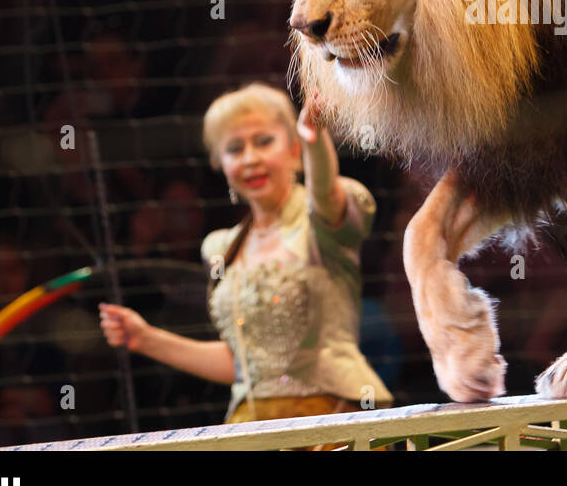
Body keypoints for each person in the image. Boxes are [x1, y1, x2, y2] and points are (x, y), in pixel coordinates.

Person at [99, 82, 392, 437]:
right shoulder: (221, 248)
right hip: (251, 430)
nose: (250, 158)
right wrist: (144, 339)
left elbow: (326, 198)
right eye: (235, 149)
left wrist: (316, 139)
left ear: (293, 150)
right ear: (219, 164)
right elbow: (245, 363)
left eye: (264, 141)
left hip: (333, 422)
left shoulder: (322, 223)